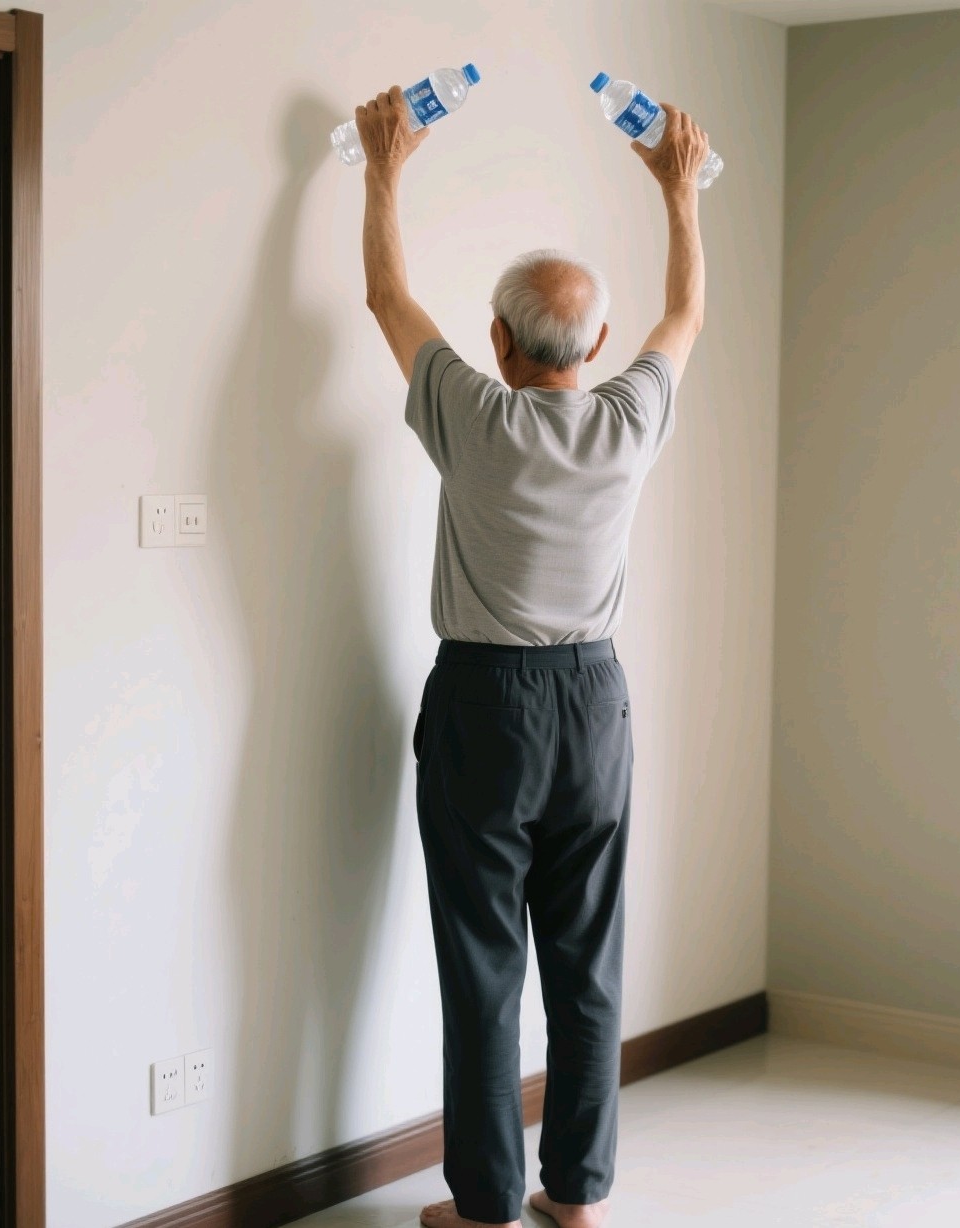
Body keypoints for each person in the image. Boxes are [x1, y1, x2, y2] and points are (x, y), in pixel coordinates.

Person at [354, 83, 707, 1228]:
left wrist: (383, 166)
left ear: (497, 341)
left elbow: (386, 296)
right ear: (594, 344)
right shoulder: (628, 420)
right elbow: (684, 317)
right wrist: (677, 193)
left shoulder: (472, 412)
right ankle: (579, 1194)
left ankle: (488, 1205)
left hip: (484, 703)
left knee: (483, 964)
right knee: (585, 963)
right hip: (594, 703)